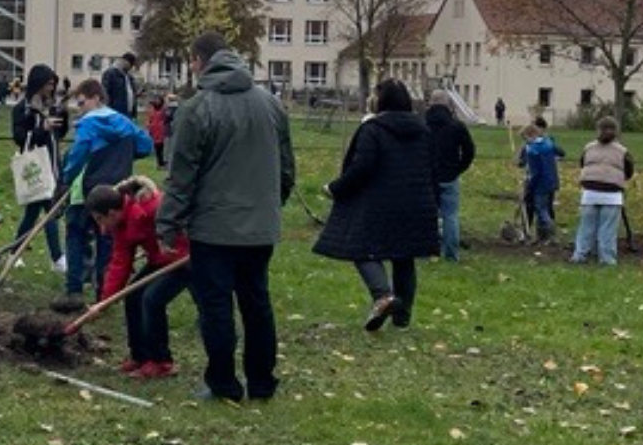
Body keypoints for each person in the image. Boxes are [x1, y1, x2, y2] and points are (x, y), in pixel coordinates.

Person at [156, 32, 293, 403]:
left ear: (200, 60)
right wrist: (271, 205)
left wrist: (168, 224)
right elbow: (286, 167)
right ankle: (262, 382)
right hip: (259, 226)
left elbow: (182, 175)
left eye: (192, 61)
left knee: (216, 307)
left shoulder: (197, 108)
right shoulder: (271, 104)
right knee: (257, 302)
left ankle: (223, 382)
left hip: (213, 228)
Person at [316, 79, 439, 333]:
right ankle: (402, 319)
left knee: (361, 248)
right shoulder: (423, 131)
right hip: (416, 202)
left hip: (379, 202)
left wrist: (335, 188)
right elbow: (432, 167)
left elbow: (361, 167)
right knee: (404, 257)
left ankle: (383, 296)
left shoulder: (373, 130)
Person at [54, 78, 153, 309]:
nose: (80, 108)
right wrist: (123, 156)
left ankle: (74, 291)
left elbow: (78, 155)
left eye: (82, 103)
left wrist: (65, 181)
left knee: (75, 235)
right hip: (117, 191)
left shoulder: (88, 124)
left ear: (96, 98)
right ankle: (104, 294)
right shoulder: (124, 122)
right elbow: (145, 146)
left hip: (87, 191)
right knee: (108, 241)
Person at [89, 177, 190, 380]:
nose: (101, 227)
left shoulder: (151, 207)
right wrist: (104, 302)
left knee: (152, 300)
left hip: (184, 259)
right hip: (159, 260)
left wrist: (180, 252)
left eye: (100, 219)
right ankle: (140, 356)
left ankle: (162, 362)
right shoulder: (120, 224)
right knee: (133, 296)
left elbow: (185, 223)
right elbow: (120, 262)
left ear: (112, 213)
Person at [10, 64, 68, 271]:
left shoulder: (51, 106)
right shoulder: (23, 109)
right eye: (48, 84)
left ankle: (15, 252)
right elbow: (19, 137)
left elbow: (59, 134)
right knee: (49, 211)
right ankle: (57, 257)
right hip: (35, 165)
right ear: (38, 83)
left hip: (52, 163)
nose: (51, 88)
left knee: (32, 213)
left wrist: (63, 117)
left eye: (53, 84)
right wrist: (41, 128)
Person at [571, 117, 634, 266]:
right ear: (616, 132)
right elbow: (629, 171)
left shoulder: (588, 148)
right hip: (612, 195)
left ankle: (580, 255)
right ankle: (607, 259)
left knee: (586, 227)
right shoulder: (622, 151)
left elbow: (583, 164)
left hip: (589, 193)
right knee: (607, 229)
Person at [425, 90, 476, 261]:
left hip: (427, 176)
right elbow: (469, 150)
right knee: (450, 216)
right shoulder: (456, 126)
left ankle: (428, 249)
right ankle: (451, 254)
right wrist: (459, 168)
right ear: (448, 104)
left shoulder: (422, 124)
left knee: (428, 215)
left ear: (430, 103)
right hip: (449, 175)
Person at [517, 124, 566, 240]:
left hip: (540, 185)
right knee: (546, 207)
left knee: (541, 209)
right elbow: (561, 152)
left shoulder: (532, 151)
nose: (525, 142)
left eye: (525, 138)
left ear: (531, 135)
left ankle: (552, 231)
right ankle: (542, 236)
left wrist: (530, 187)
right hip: (552, 182)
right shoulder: (548, 143)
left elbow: (535, 173)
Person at [102, 52, 139, 118]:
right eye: (130, 64)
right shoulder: (110, 74)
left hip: (128, 113)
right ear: (124, 61)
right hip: (116, 113)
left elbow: (132, 94)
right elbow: (105, 93)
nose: (131, 67)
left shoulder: (129, 77)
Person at [146, 95, 169, 170]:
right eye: (156, 100)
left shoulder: (163, 110)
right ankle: (160, 163)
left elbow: (166, 118)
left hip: (161, 131)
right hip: (154, 131)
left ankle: (162, 163)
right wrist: (149, 128)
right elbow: (149, 120)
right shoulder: (152, 110)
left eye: (158, 100)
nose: (156, 101)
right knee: (157, 148)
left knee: (161, 148)